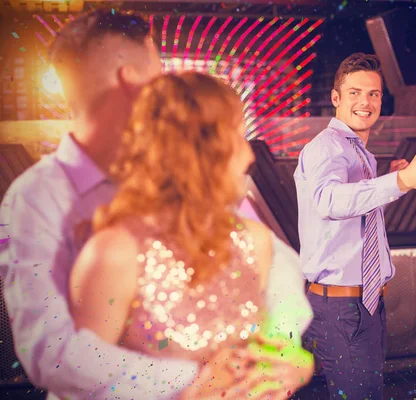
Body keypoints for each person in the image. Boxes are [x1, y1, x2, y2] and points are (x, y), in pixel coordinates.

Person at [0, 10, 311, 400]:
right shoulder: (36, 197)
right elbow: (53, 354)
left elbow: (273, 275)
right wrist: (196, 381)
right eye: (159, 71)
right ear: (130, 81)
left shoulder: (193, 177)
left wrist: (284, 357)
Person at [68, 70, 313, 399]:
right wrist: (190, 389)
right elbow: (76, 385)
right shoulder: (115, 253)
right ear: (201, 151)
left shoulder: (255, 241)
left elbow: (279, 346)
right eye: (239, 137)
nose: (250, 155)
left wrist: (295, 365)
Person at [294, 52, 416, 399]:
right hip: (342, 309)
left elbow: (356, 211)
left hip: (364, 305)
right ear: (336, 98)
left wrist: (395, 179)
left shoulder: (359, 152)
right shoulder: (327, 148)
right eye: (355, 92)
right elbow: (329, 202)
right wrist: (402, 180)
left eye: (373, 94)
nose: (366, 101)